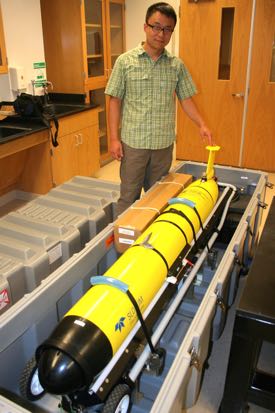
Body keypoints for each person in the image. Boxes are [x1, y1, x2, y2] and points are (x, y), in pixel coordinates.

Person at [105, 2, 212, 216]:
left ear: (172, 31)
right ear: (145, 27)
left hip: (163, 146)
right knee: (129, 196)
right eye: (156, 26)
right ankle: (123, 244)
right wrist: (114, 139)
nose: (161, 34)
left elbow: (186, 99)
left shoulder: (176, 65)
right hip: (134, 144)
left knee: (159, 198)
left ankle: (152, 242)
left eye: (167, 29)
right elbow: (114, 100)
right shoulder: (125, 62)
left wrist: (202, 124)